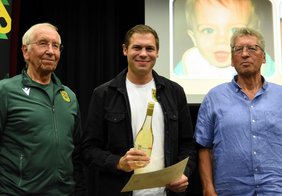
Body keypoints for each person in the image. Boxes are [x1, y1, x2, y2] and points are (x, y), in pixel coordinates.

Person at [81, 24, 197, 196]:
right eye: (137, 47)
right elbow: (88, 150)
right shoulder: (104, 94)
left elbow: (188, 145)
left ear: (157, 52)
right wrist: (118, 162)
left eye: (149, 48)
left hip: (165, 192)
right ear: (125, 50)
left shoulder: (175, 92)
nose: (143, 53)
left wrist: (183, 173)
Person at [194, 27, 282, 195]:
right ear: (232, 59)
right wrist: (208, 188)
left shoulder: (280, 96)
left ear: (263, 57)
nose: (245, 54)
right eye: (238, 49)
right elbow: (204, 147)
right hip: (231, 190)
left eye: (252, 48)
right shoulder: (214, 97)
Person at [0, 23, 85, 195]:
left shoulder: (69, 96)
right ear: (25, 51)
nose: (51, 51)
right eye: (43, 43)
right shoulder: (5, 91)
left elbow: (77, 151)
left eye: (56, 46)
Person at [174, 0, 275, 79]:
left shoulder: (261, 62)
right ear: (193, 38)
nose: (221, 40)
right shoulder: (189, 63)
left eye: (235, 30)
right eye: (208, 30)